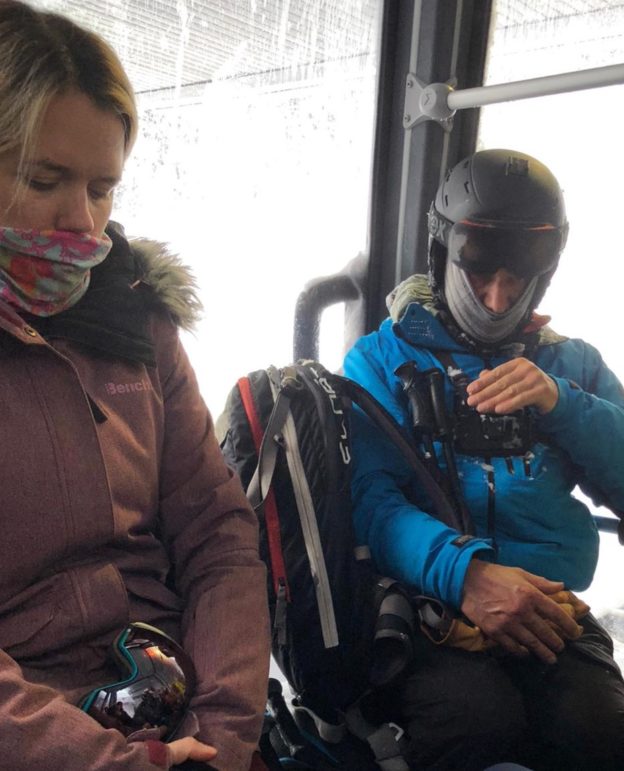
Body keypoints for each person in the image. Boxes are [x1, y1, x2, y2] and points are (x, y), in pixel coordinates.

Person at [344, 148, 624, 770]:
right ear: (442, 254)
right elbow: (373, 503)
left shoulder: (569, 364)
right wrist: (467, 578)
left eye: (516, 279)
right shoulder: (380, 359)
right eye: (478, 275)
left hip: (550, 610)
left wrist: (563, 404)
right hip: (433, 607)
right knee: (474, 731)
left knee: (595, 737)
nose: (498, 300)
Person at [0, 2, 269, 769]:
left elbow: (216, 535)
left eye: (103, 188)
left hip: (173, 689)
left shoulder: (136, 322)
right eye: (45, 179)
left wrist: (225, 732)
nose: (82, 224)